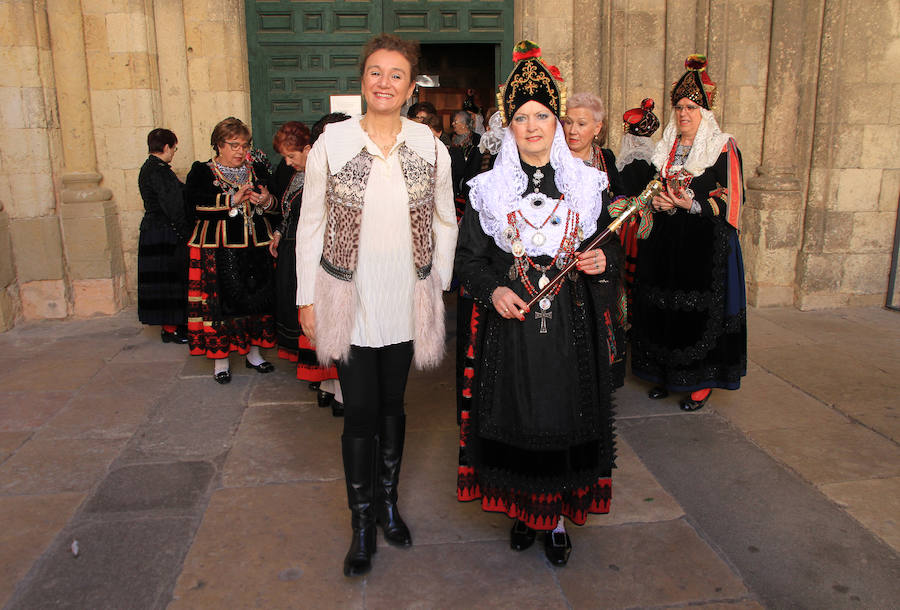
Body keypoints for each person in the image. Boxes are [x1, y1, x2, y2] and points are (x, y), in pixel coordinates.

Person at [296, 34, 457, 577]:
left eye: (395, 74)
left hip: (405, 299)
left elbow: (444, 222)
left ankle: (388, 504)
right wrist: (305, 295)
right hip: (349, 298)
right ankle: (361, 521)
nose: (384, 82)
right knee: (359, 413)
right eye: (374, 72)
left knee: (394, 406)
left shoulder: (430, 146)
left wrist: (436, 285)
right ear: (362, 80)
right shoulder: (332, 144)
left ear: (411, 86)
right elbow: (310, 224)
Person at [455, 40, 621, 567]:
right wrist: (494, 290)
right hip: (511, 328)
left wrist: (601, 263)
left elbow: (605, 245)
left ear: (557, 120)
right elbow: (468, 261)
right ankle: (525, 513)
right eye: (522, 116)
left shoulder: (587, 184)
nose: (533, 126)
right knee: (520, 413)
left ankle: (552, 520)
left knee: (563, 414)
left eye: (543, 115)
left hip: (571, 325)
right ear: (508, 123)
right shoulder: (488, 189)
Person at [631, 55, 747, 411]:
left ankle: (701, 381)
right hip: (666, 241)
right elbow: (653, 185)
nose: (683, 114)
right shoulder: (666, 147)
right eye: (679, 107)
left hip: (705, 245)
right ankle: (666, 375)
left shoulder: (722, 146)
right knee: (664, 308)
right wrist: (656, 202)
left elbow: (733, 198)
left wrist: (689, 205)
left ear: (704, 112)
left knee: (698, 313)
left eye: (691, 107)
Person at [185, 117, 277, 383]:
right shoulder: (202, 171)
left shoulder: (256, 169)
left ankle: (254, 354)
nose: (240, 151)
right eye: (233, 145)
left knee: (257, 299)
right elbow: (194, 203)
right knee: (221, 304)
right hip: (220, 248)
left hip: (255, 247)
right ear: (218, 145)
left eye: (244, 145)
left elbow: (275, 203)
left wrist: (266, 200)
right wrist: (231, 199)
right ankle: (221, 361)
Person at [268, 120, 344, 416]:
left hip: (327, 260)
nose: (288, 163)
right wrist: (278, 232)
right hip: (302, 255)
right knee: (317, 327)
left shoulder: (327, 175)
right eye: (285, 157)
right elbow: (289, 212)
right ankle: (327, 385)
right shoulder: (301, 175)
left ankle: (339, 390)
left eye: (291, 156)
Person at [137, 128, 191, 344]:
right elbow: (173, 205)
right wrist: (186, 233)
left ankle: (169, 327)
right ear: (167, 147)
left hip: (154, 230)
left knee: (162, 280)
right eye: (174, 148)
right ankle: (172, 328)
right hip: (164, 232)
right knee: (170, 279)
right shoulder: (159, 170)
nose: (174, 153)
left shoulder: (148, 168)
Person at [616, 98, 661, 324]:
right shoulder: (654, 161)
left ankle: (627, 316)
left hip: (631, 225)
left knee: (627, 273)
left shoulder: (632, 163)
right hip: (647, 223)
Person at [563, 92, 625, 197]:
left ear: (597, 128)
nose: (573, 131)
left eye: (581, 124)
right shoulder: (554, 156)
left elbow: (618, 196)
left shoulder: (605, 157)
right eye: (568, 122)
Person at [449, 110, 483, 219]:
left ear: (464, 124)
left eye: (455, 122)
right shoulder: (450, 138)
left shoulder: (477, 140)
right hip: (452, 182)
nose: (452, 124)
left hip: (468, 184)